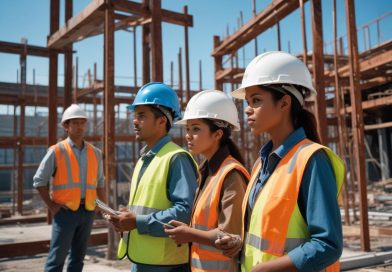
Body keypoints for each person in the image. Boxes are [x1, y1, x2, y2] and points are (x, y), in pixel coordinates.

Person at [216, 51, 345, 272]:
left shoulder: (312, 160)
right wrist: (240, 244)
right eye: (247, 101)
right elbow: (265, 233)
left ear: (284, 103)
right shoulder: (261, 164)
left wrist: (266, 269)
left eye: (256, 100)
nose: (247, 108)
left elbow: (328, 244)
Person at [108, 82, 199, 272]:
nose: (134, 121)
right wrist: (126, 215)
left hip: (166, 264)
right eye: (135, 115)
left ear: (162, 121)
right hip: (141, 259)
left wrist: (137, 222)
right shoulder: (145, 159)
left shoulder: (176, 158)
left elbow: (185, 212)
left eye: (141, 115)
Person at [165, 90, 250, 272]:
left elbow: (230, 236)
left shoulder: (231, 174)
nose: (188, 135)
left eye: (196, 128)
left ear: (217, 134)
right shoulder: (207, 171)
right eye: (188, 129)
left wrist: (188, 234)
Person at [33, 104, 106, 272]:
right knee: (56, 259)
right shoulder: (57, 151)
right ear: (66, 126)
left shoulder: (95, 153)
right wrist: (52, 206)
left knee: (78, 259)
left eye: (82, 122)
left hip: (87, 211)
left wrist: (102, 207)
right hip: (65, 213)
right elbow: (39, 181)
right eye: (75, 123)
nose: (80, 126)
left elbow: (100, 182)